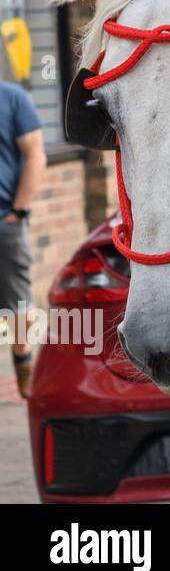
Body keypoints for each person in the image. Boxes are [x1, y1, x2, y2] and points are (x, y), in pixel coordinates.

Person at [0, 80, 45, 398]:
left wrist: (18, 211)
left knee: (17, 303)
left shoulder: (13, 99)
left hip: (6, 221)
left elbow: (35, 155)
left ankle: (23, 366)